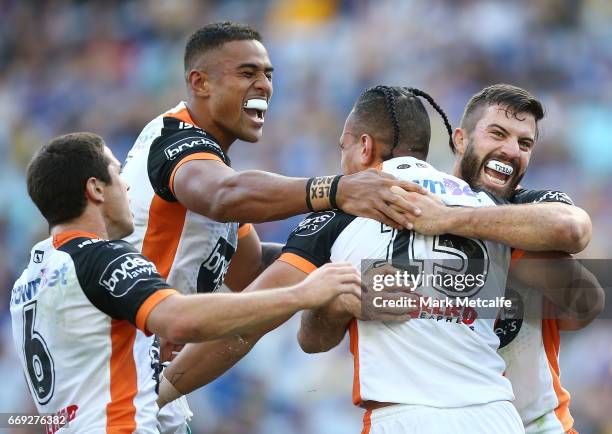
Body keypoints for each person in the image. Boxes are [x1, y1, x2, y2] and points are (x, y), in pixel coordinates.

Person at [157, 86, 594, 433]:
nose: (511, 150)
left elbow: (251, 321)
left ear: (363, 146)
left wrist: (155, 394)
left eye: (524, 142)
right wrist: (347, 296)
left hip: (419, 417)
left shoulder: (515, 210)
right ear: (457, 141)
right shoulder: (502, 215)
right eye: (498, 134)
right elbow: (314, 332)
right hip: (497, 415)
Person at [9, 133, 362, 434]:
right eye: (118, 174)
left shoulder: (29, 279)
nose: (127, 185)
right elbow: (180, 319)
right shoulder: (102, 257)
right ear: (96, 188)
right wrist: (300, 294)